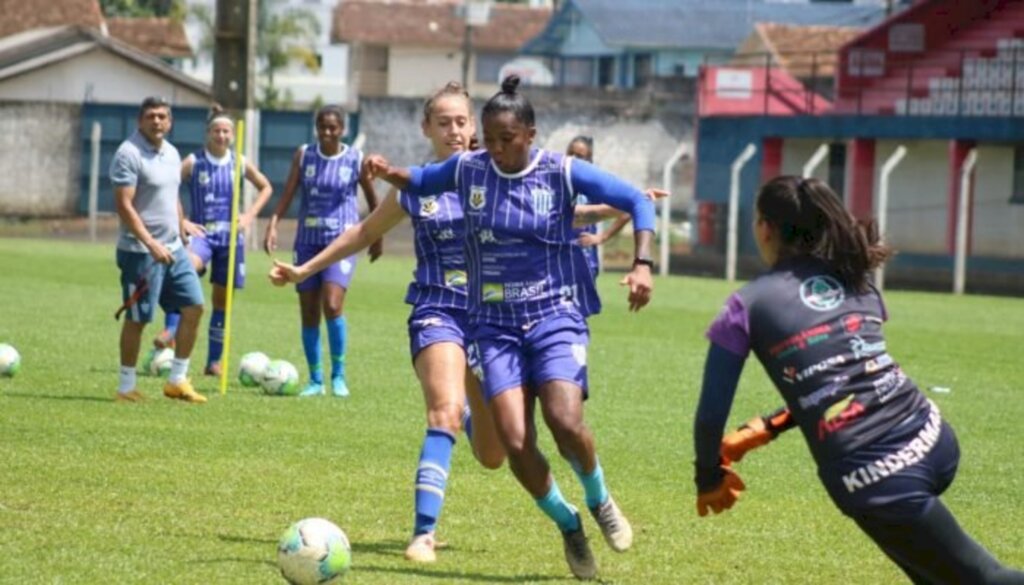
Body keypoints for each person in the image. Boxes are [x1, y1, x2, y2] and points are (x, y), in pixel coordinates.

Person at [363, 75, 657, 581]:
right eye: (490, 139)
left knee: (565, 422)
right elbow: (421, 181)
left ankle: (600, 499)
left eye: (507, 140)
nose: (496, 150)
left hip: (554, 315)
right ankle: (569, 525)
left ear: (530, 135)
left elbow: (638, 200)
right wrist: (389, 172)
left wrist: (643, 263)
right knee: (516, 442)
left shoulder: (561, 171)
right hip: (493, 326)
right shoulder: (469, 170)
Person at [692, 175, 1024, 584]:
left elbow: (710, 417)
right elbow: (848, 375)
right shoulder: (855, 277)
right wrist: (770, 425)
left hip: (879, 477)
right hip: (934, 437)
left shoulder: (747, 304)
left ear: (765, 228)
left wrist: (708, 477)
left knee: (986, 579)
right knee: (937, 573)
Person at [268, 81, 505, 563]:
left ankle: (464, 409)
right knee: (440, 415)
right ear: (427, 128)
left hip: (492, 319)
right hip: (436, 312)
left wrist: (621, 209)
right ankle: (423, 534)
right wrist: (306, 268)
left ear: (474, 126)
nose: (454, 131)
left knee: (493, 455)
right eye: (444, 122)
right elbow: (362, 231)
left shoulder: (496, 176)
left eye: (462, 121)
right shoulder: (414, 186)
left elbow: (558, 208)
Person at [263, 105, 382, 397]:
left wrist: (377, 235)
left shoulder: (355, 159)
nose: (327, 132)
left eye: (333, 127)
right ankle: (315, 380)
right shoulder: (305, 155)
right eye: (322, 127)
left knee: (332, 304)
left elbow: (372, 198)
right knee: (308, 312)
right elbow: (289, 191)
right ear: (316, 128)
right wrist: (274, 222)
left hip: (341, 243)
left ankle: (338, 375)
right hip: (307, 241)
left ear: (343, 130)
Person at [152, 106, 274, 376]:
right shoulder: (194, 162)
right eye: (217, 131)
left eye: (226, 131)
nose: (221, 135)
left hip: (231, 239)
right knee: (186, 271)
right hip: (202, 234)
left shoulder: (239, 162)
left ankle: (214, 362)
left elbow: (266, 187)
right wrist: (181, 220)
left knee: (222, 302)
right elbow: (168, 186)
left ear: (232, 134)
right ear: (208, 133)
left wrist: (249, 216)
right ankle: (171, 328)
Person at [110, 96, 206, 404]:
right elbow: (124, 205)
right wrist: (150, 244)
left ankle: (176, 381)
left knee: (194, 306)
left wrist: (182, 225)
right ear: (140, 120)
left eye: (162, 116)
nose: (157, 121)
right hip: (140, 252)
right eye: (151, 116)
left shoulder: (172, 153)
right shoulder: (128, 154)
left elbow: (172, 196)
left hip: (174, 249)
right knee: (139, 318)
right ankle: (126, 387)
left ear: (170, 121)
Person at [564, 136, 632, 280]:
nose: (573, 159)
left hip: (583, 260)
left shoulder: (594, 186)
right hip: (555, 259)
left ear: (589, 161)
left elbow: (627, 208)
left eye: (580, 156)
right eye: (570, 153)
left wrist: (601, 237)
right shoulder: (557, 183)